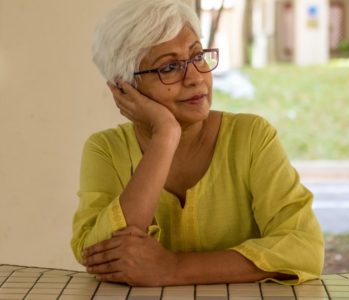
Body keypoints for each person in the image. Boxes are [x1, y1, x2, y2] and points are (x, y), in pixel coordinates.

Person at [71, 0, 324, 287]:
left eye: (197, 56)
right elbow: (98, 254)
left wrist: (173, 268)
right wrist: (165, 136)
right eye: (169, 67)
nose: (195, 77)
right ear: (123, 89)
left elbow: (304, 248)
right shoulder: (105, 149)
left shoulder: (252, 137)